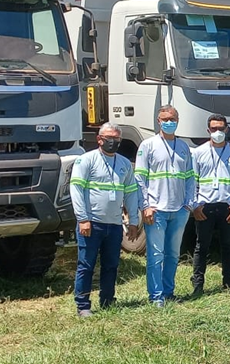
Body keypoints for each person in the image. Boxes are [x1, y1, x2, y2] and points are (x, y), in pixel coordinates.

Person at [70, 123, 139, 317]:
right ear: (99, 139)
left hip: (114, 224)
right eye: (110, 138)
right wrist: (83, 219)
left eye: (117, 139)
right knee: (86, 264)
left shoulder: (124, 163)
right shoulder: (86, 161)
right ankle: (83, 305)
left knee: (111, 265)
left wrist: (133, 221)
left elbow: (131, 193)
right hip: (91, 223)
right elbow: (76, 191)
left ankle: (107, 300)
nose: (114, 142)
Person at [135, 105, 195, 306]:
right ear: (158, 121)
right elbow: (140, 178)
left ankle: (169, 292)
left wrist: (188, 204)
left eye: (172, 118)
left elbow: (189, 178)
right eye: (165, 119)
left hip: (179, 210)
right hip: (156, 210)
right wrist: (146, 206)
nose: (169, 122)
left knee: (173, 254)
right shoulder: (148, 145)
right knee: (155, 255)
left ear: (178, 120)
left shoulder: (184, 146)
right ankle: (156, 296)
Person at [190, 114, 230, 295]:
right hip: (204, 207)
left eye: (221, 128)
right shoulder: (198, 153)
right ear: (208, 131)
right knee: (201, 246)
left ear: (227, 129)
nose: (218, 132)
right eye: (214, 129)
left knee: (228, 246)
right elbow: (192, 182)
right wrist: (195, 205)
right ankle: (197, 285)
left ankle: (229, 283)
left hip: (228, 207)